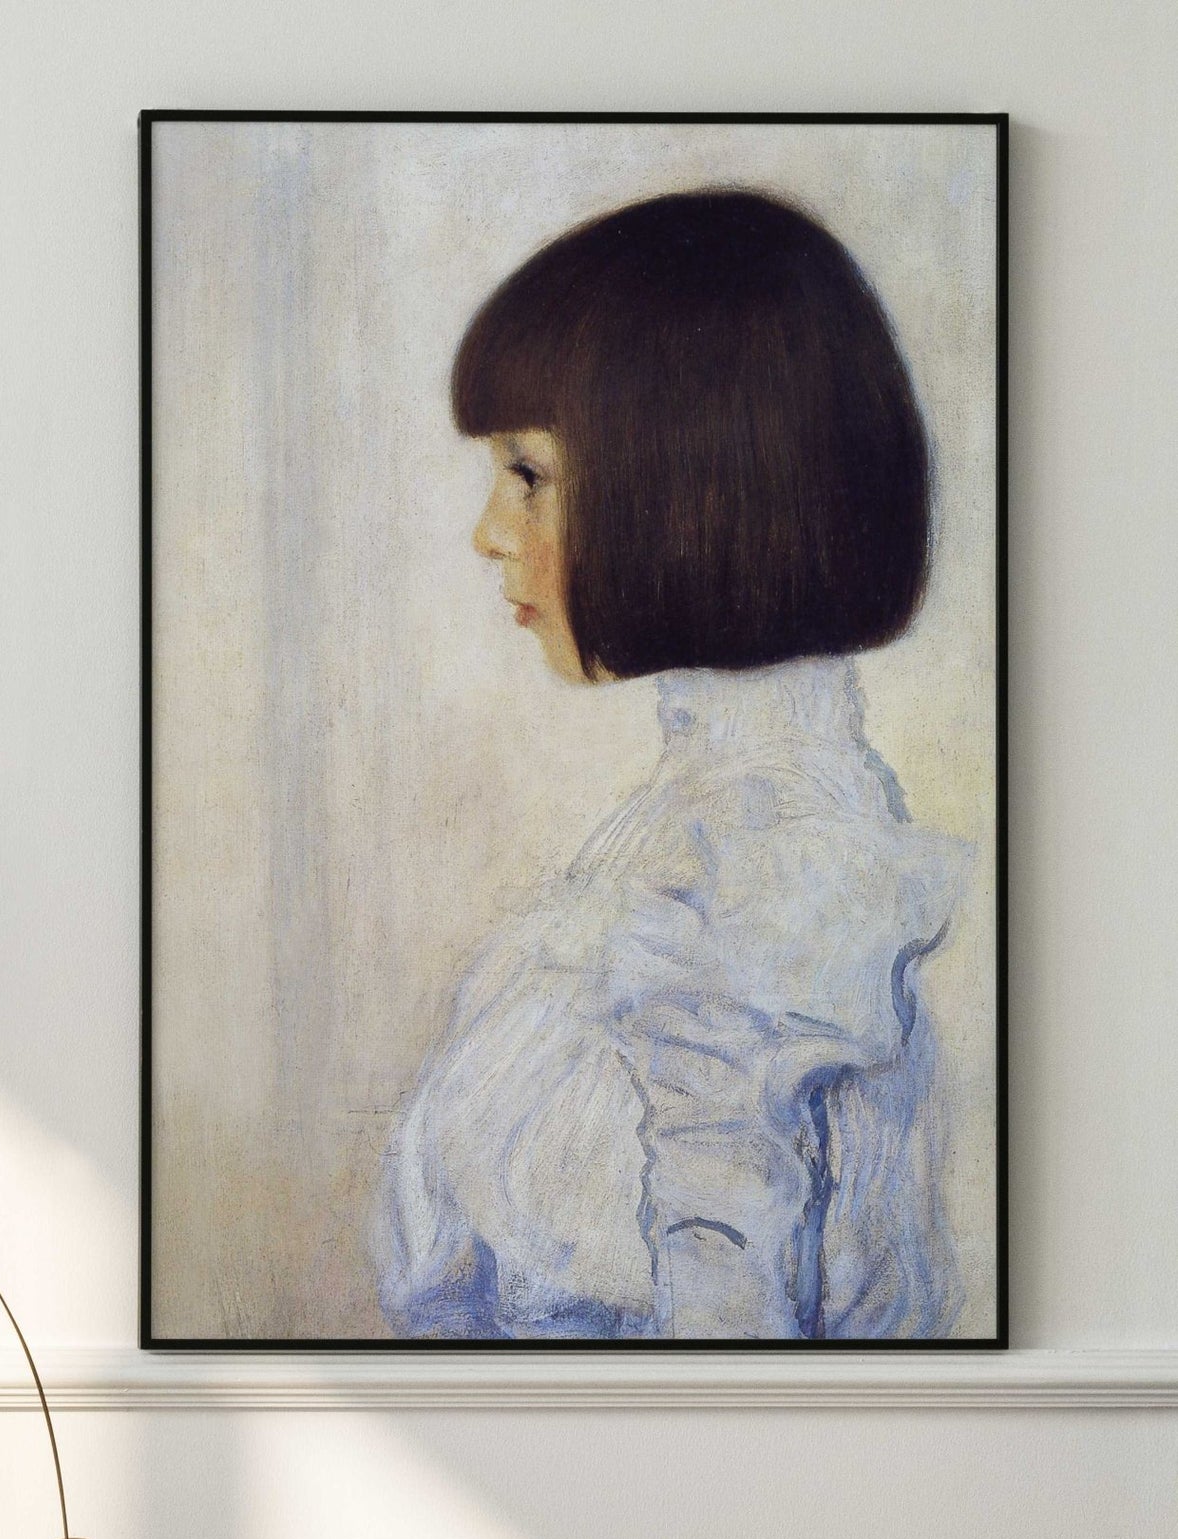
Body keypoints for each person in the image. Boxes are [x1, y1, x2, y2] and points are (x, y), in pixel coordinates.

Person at [374, 188, 968, 1341]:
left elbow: (732, 1339)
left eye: (528, 473)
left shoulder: (762, 856)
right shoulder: (689, 815)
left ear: (686, 476)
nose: (488, 531)